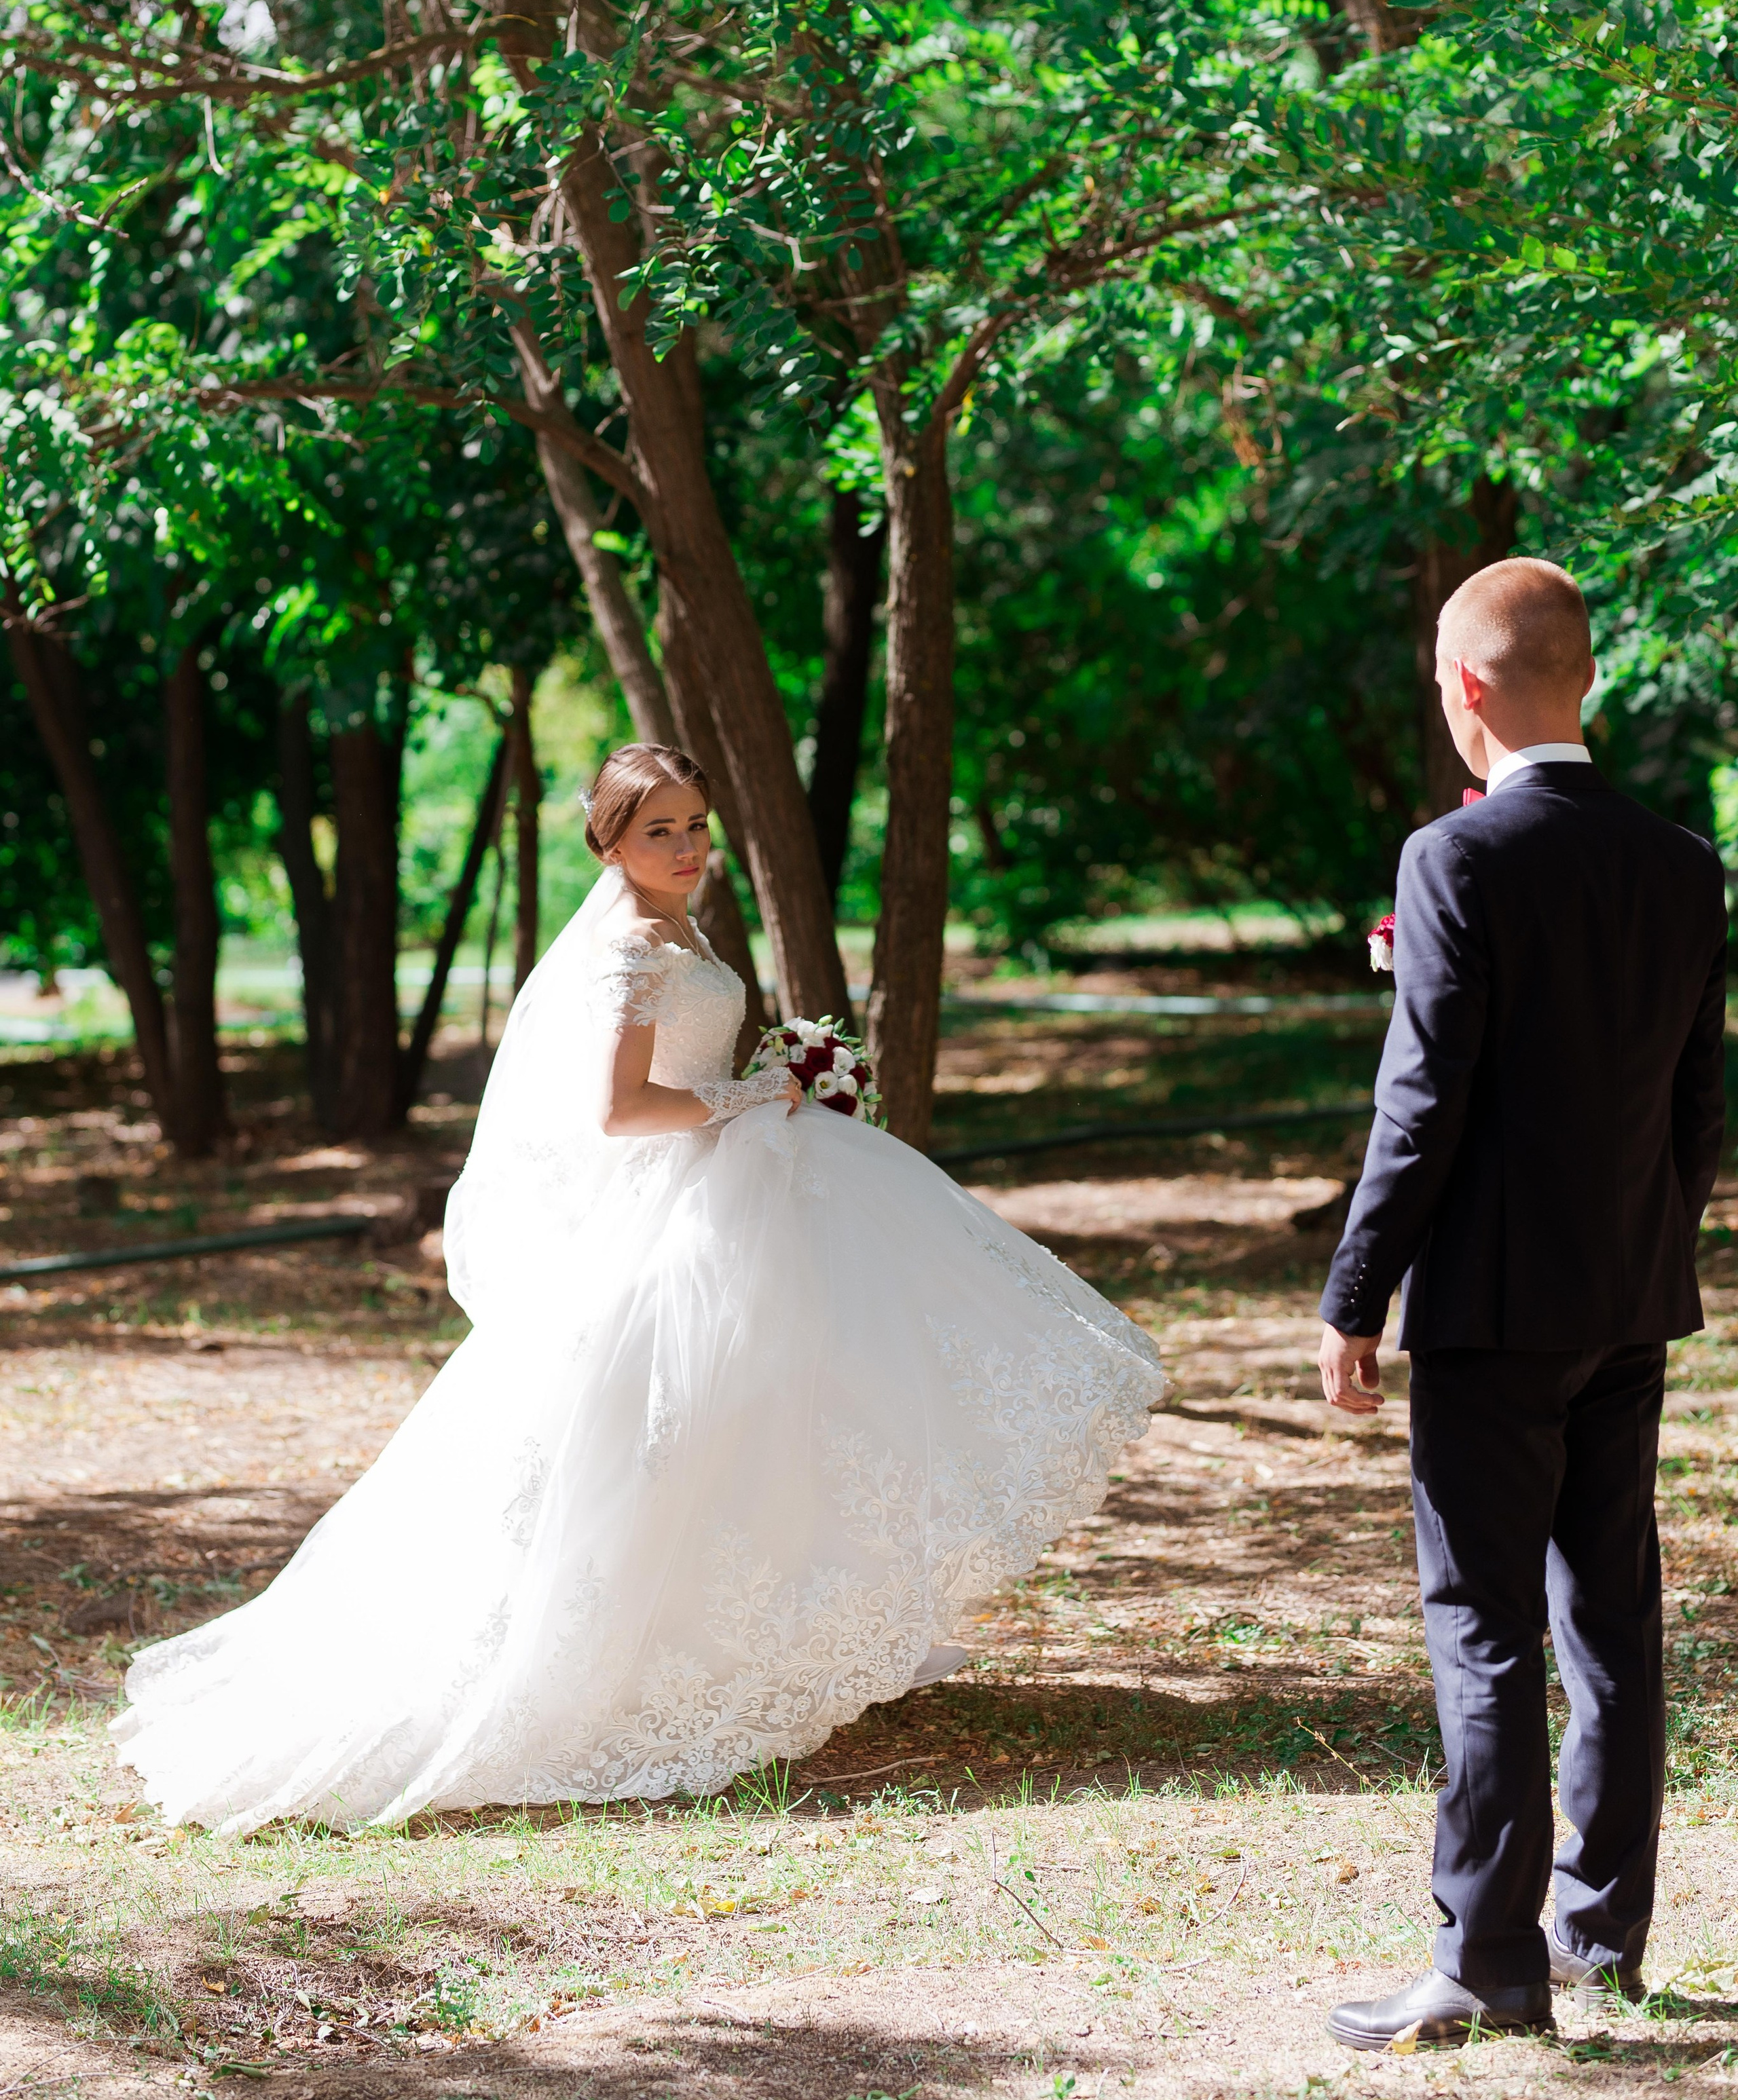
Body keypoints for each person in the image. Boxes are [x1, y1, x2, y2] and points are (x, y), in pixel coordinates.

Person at [113, 743, 1162, 1831]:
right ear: (608, 840)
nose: (689, 848)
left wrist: (771, 1087)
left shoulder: (681, 928)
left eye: (698, 827)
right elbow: (619, 1112)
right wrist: (750, 1095)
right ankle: (634, 1661)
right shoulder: (624, 949)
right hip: (680, 1194)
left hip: (728, 1185)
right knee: (662, 1426)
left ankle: (776, 1630)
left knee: (780, 1400)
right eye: (661, 831)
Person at [1317, 559, 1728, 2051]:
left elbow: (1421, 1106)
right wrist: (1642, 1245)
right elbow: (1697, 1101)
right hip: (1628, 1298)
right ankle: (1597, 1932)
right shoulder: (1682, 861)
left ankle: (1489, 1964)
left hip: (1491, 1312)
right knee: (1608, 1619)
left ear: (1466, 687)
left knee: (1480, 1627)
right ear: (1585, 681)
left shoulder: (1455, 860)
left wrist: (1353, 1292)